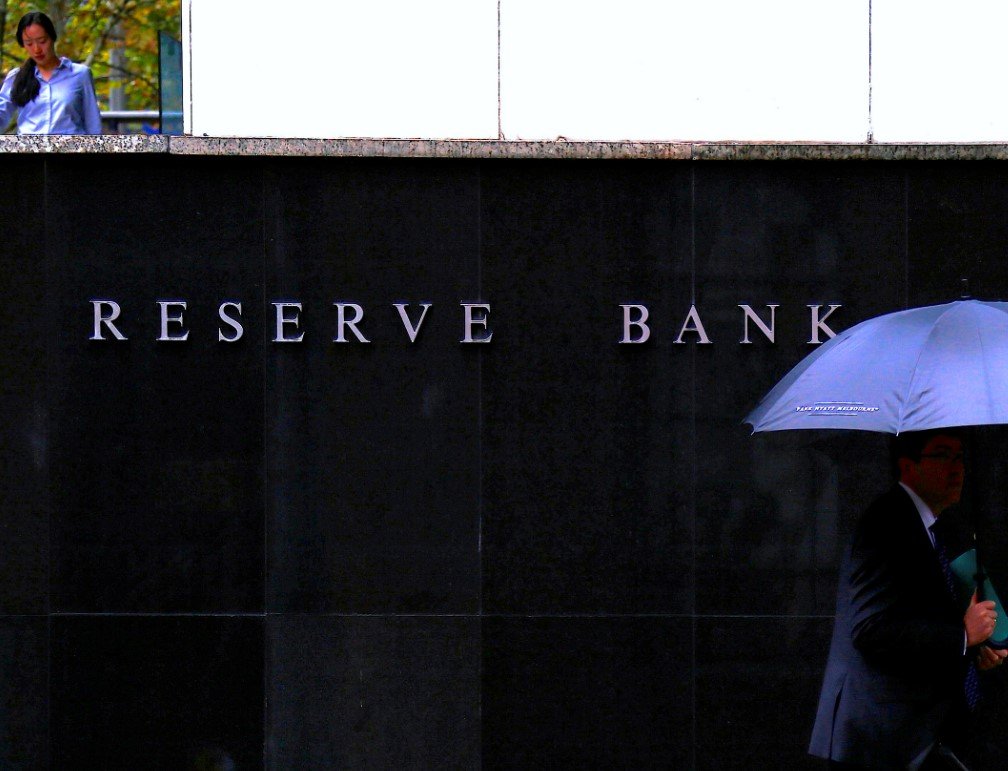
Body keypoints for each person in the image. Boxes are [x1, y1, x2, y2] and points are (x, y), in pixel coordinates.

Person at [809, 430, 1008, 770]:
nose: (957, 468)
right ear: (908, 466)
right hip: (878, 739)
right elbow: (869, 629)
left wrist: (971, 649)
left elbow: (916, 616)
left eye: (960, 457)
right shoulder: (887, 523)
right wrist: (961, 635)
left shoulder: (930, 526)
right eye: (943, 456)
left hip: (912, 737)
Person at [0, 12, 101, 135]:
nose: (37, 49)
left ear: (52, 38)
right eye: (29, 43)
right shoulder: (16, 77)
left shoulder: (80, 74)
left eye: (42, 41)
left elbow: (93, 124)